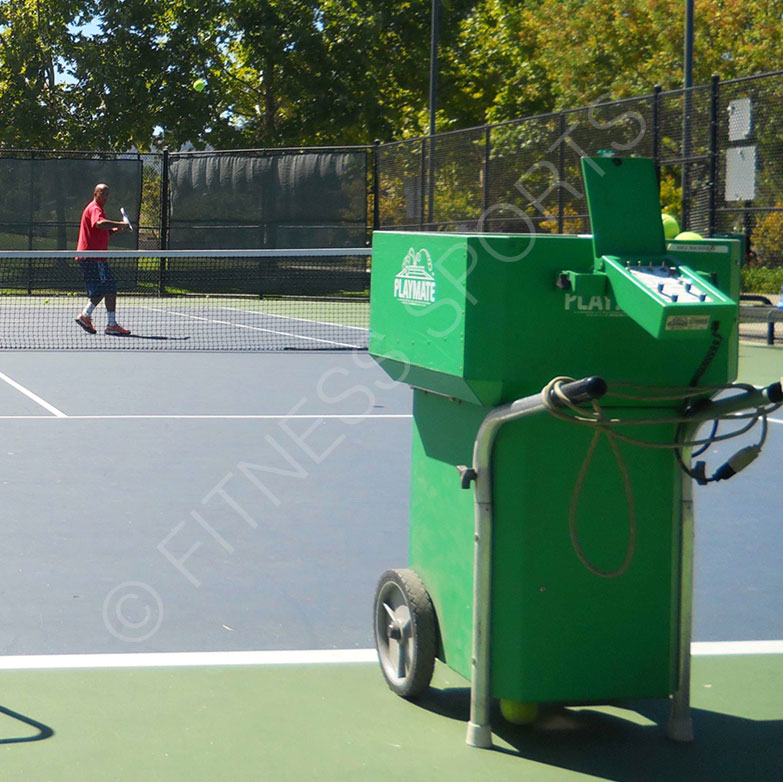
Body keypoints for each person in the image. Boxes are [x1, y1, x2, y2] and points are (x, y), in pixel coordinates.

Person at [74, 183, 132, 335]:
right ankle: (94, 319)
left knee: (107, 288)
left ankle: (95, 319)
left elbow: (102, 231)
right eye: (102, 194)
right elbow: (99, 224)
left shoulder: (99, 210)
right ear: (95, 194)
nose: (105, 197)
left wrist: (116, 229)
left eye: (107, 194)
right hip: (92, 257)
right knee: (107, 287)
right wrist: (121, 223)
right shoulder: (95, 208)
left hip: (96, 257)